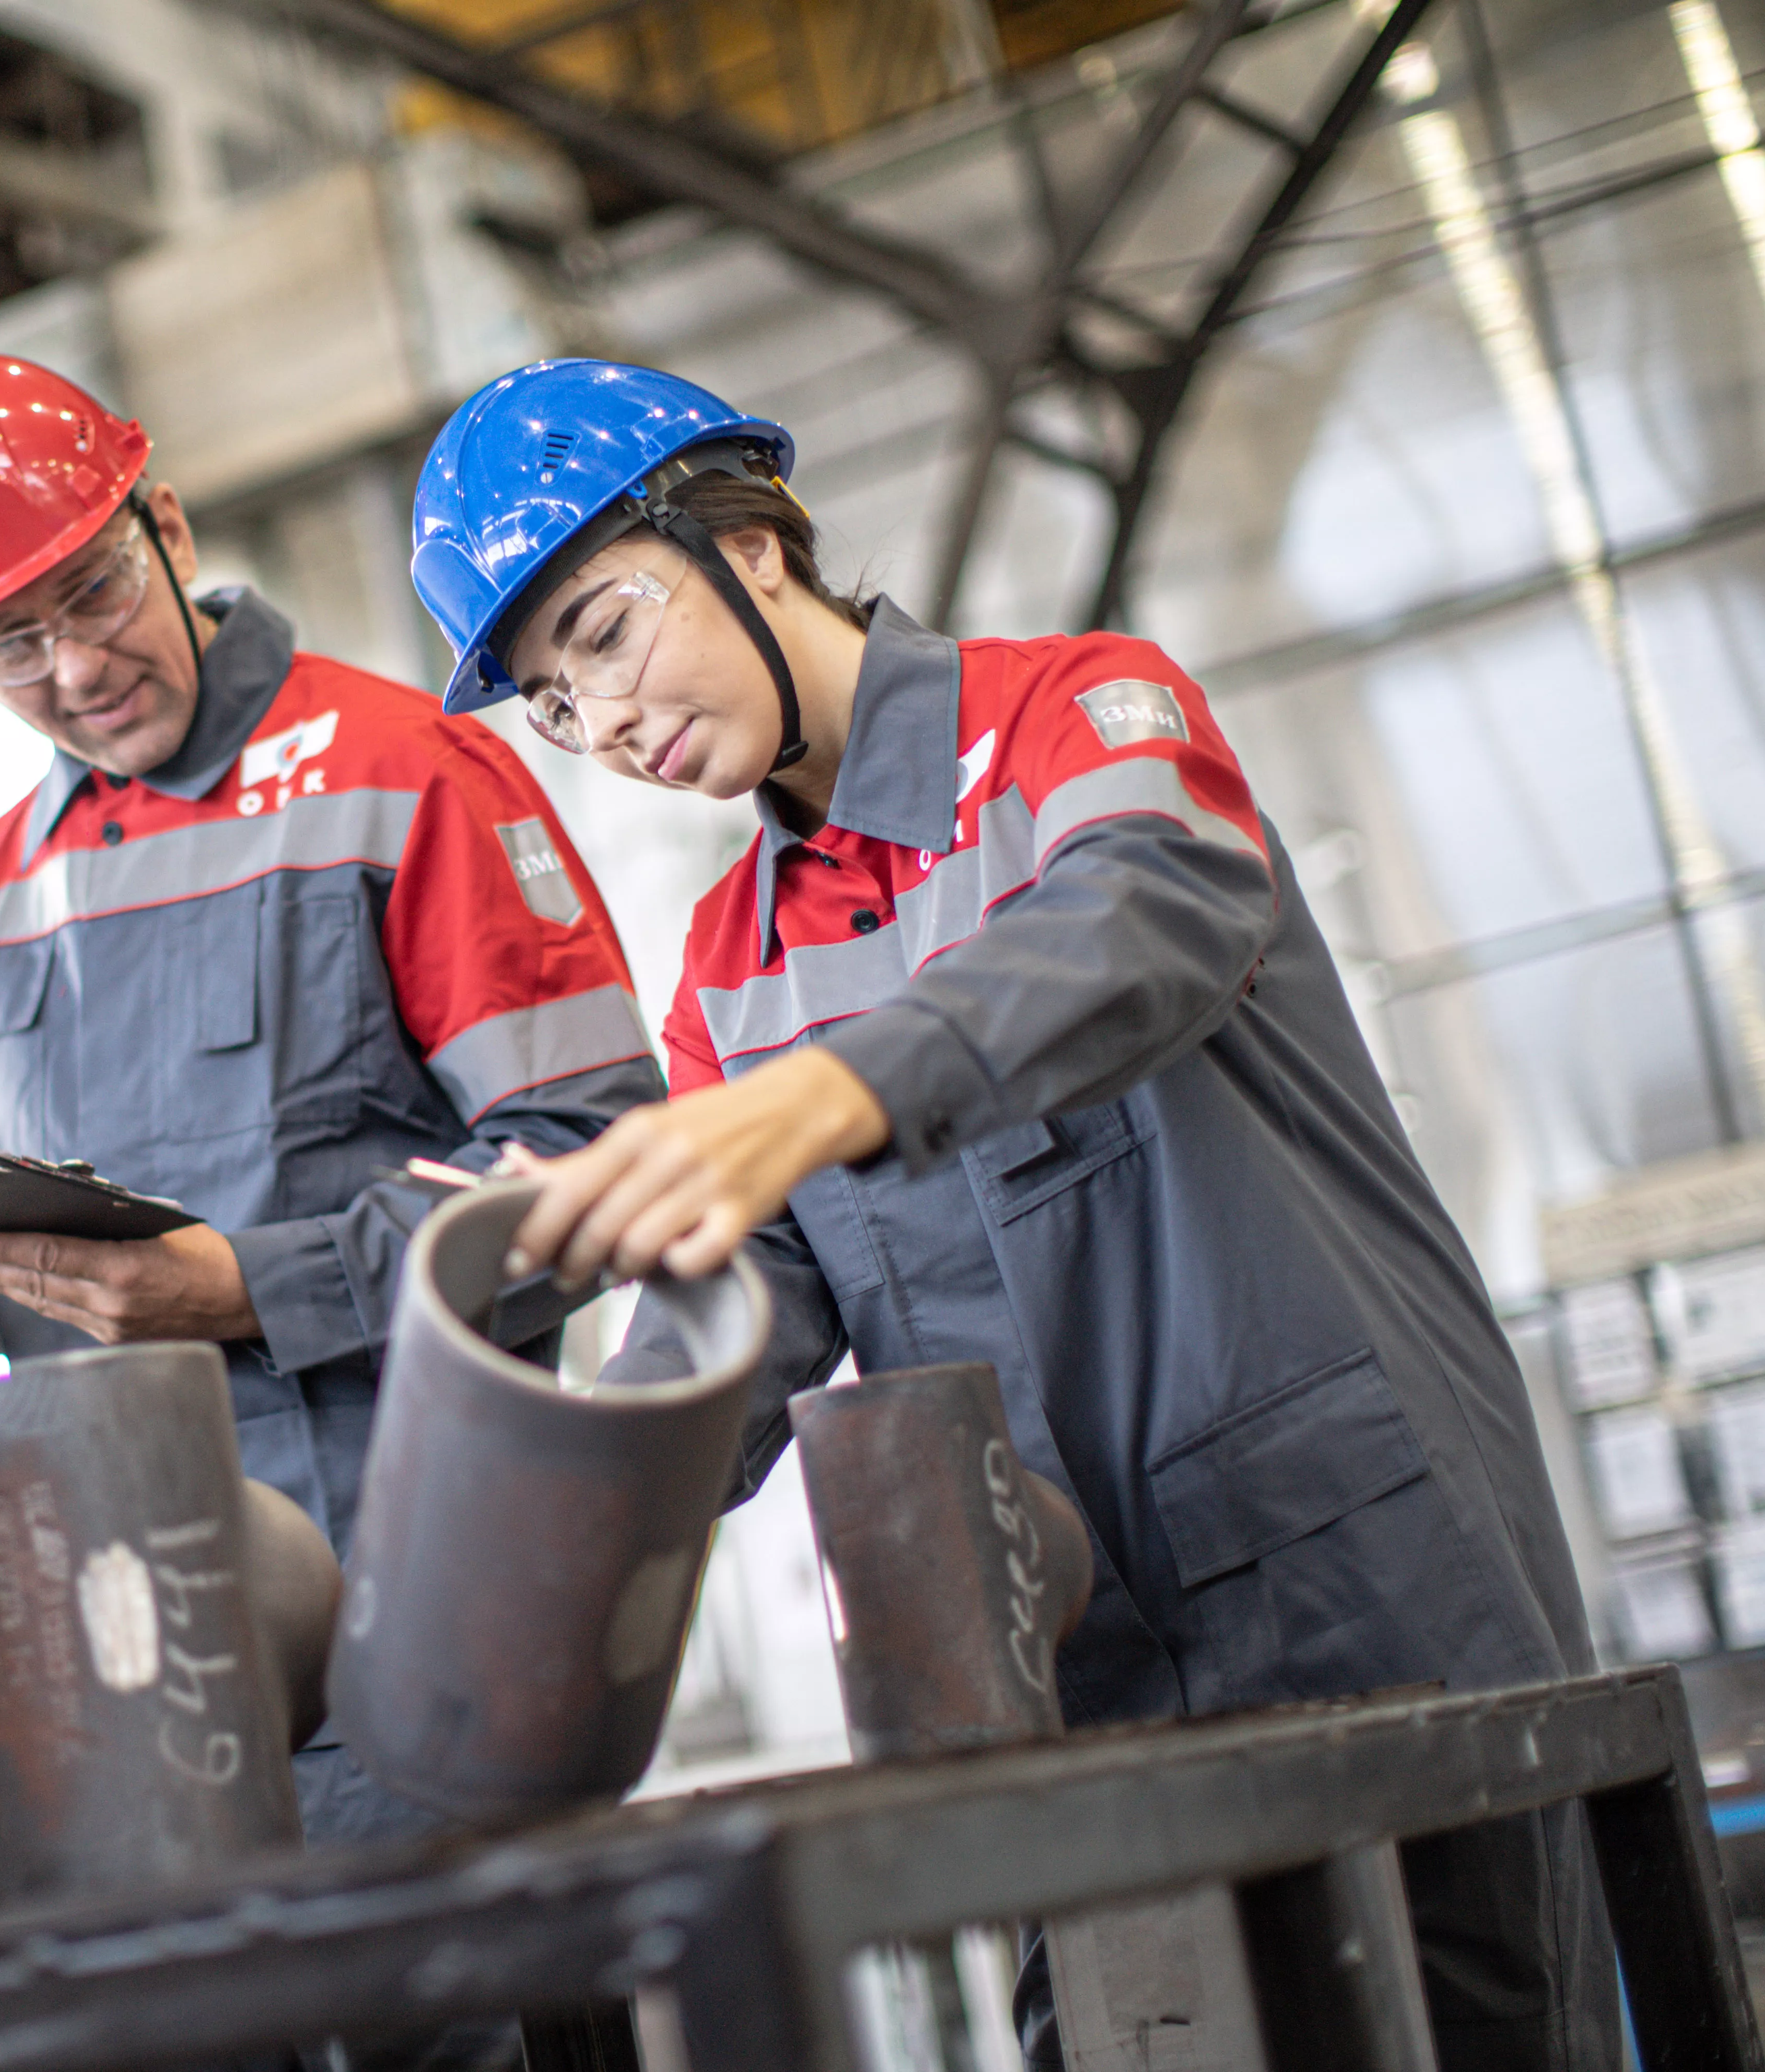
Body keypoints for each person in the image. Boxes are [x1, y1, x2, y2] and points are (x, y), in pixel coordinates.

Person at [406, 358, 1615, 2071]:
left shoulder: (1076, 717)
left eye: (602, 635)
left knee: (1469, 2031)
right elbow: (729, 1331)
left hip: (1360, 1581)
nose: (598, 722)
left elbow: (1147, 917)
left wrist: (830, 1098)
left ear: (749, 544)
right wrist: (529, 1554)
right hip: (1069, 1661)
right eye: (549, 699)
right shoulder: (729, 974)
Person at [0, 348, 665, 1860]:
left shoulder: (401, 776)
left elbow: (597, 1170)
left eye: (92, 592)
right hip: (115, 1692)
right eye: (5, 648)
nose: (75, 672)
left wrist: (250, 1291)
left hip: (418, 1642)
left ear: (168, 524)